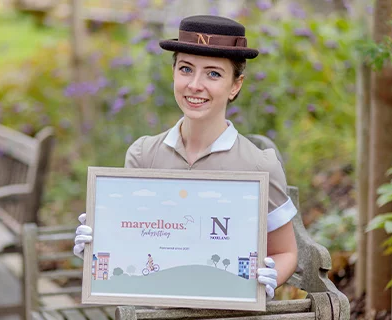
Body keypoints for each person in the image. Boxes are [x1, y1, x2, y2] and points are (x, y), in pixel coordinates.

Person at [74, 14, 298, 300]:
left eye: (213, 73)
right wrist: (97, 246)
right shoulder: (144, 155)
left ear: (235, 85)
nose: (195, 84)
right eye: (186, 69)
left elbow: (285, 251)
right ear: (173, 73)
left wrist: (270, 277)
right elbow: (132, 245)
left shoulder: (259, 165)